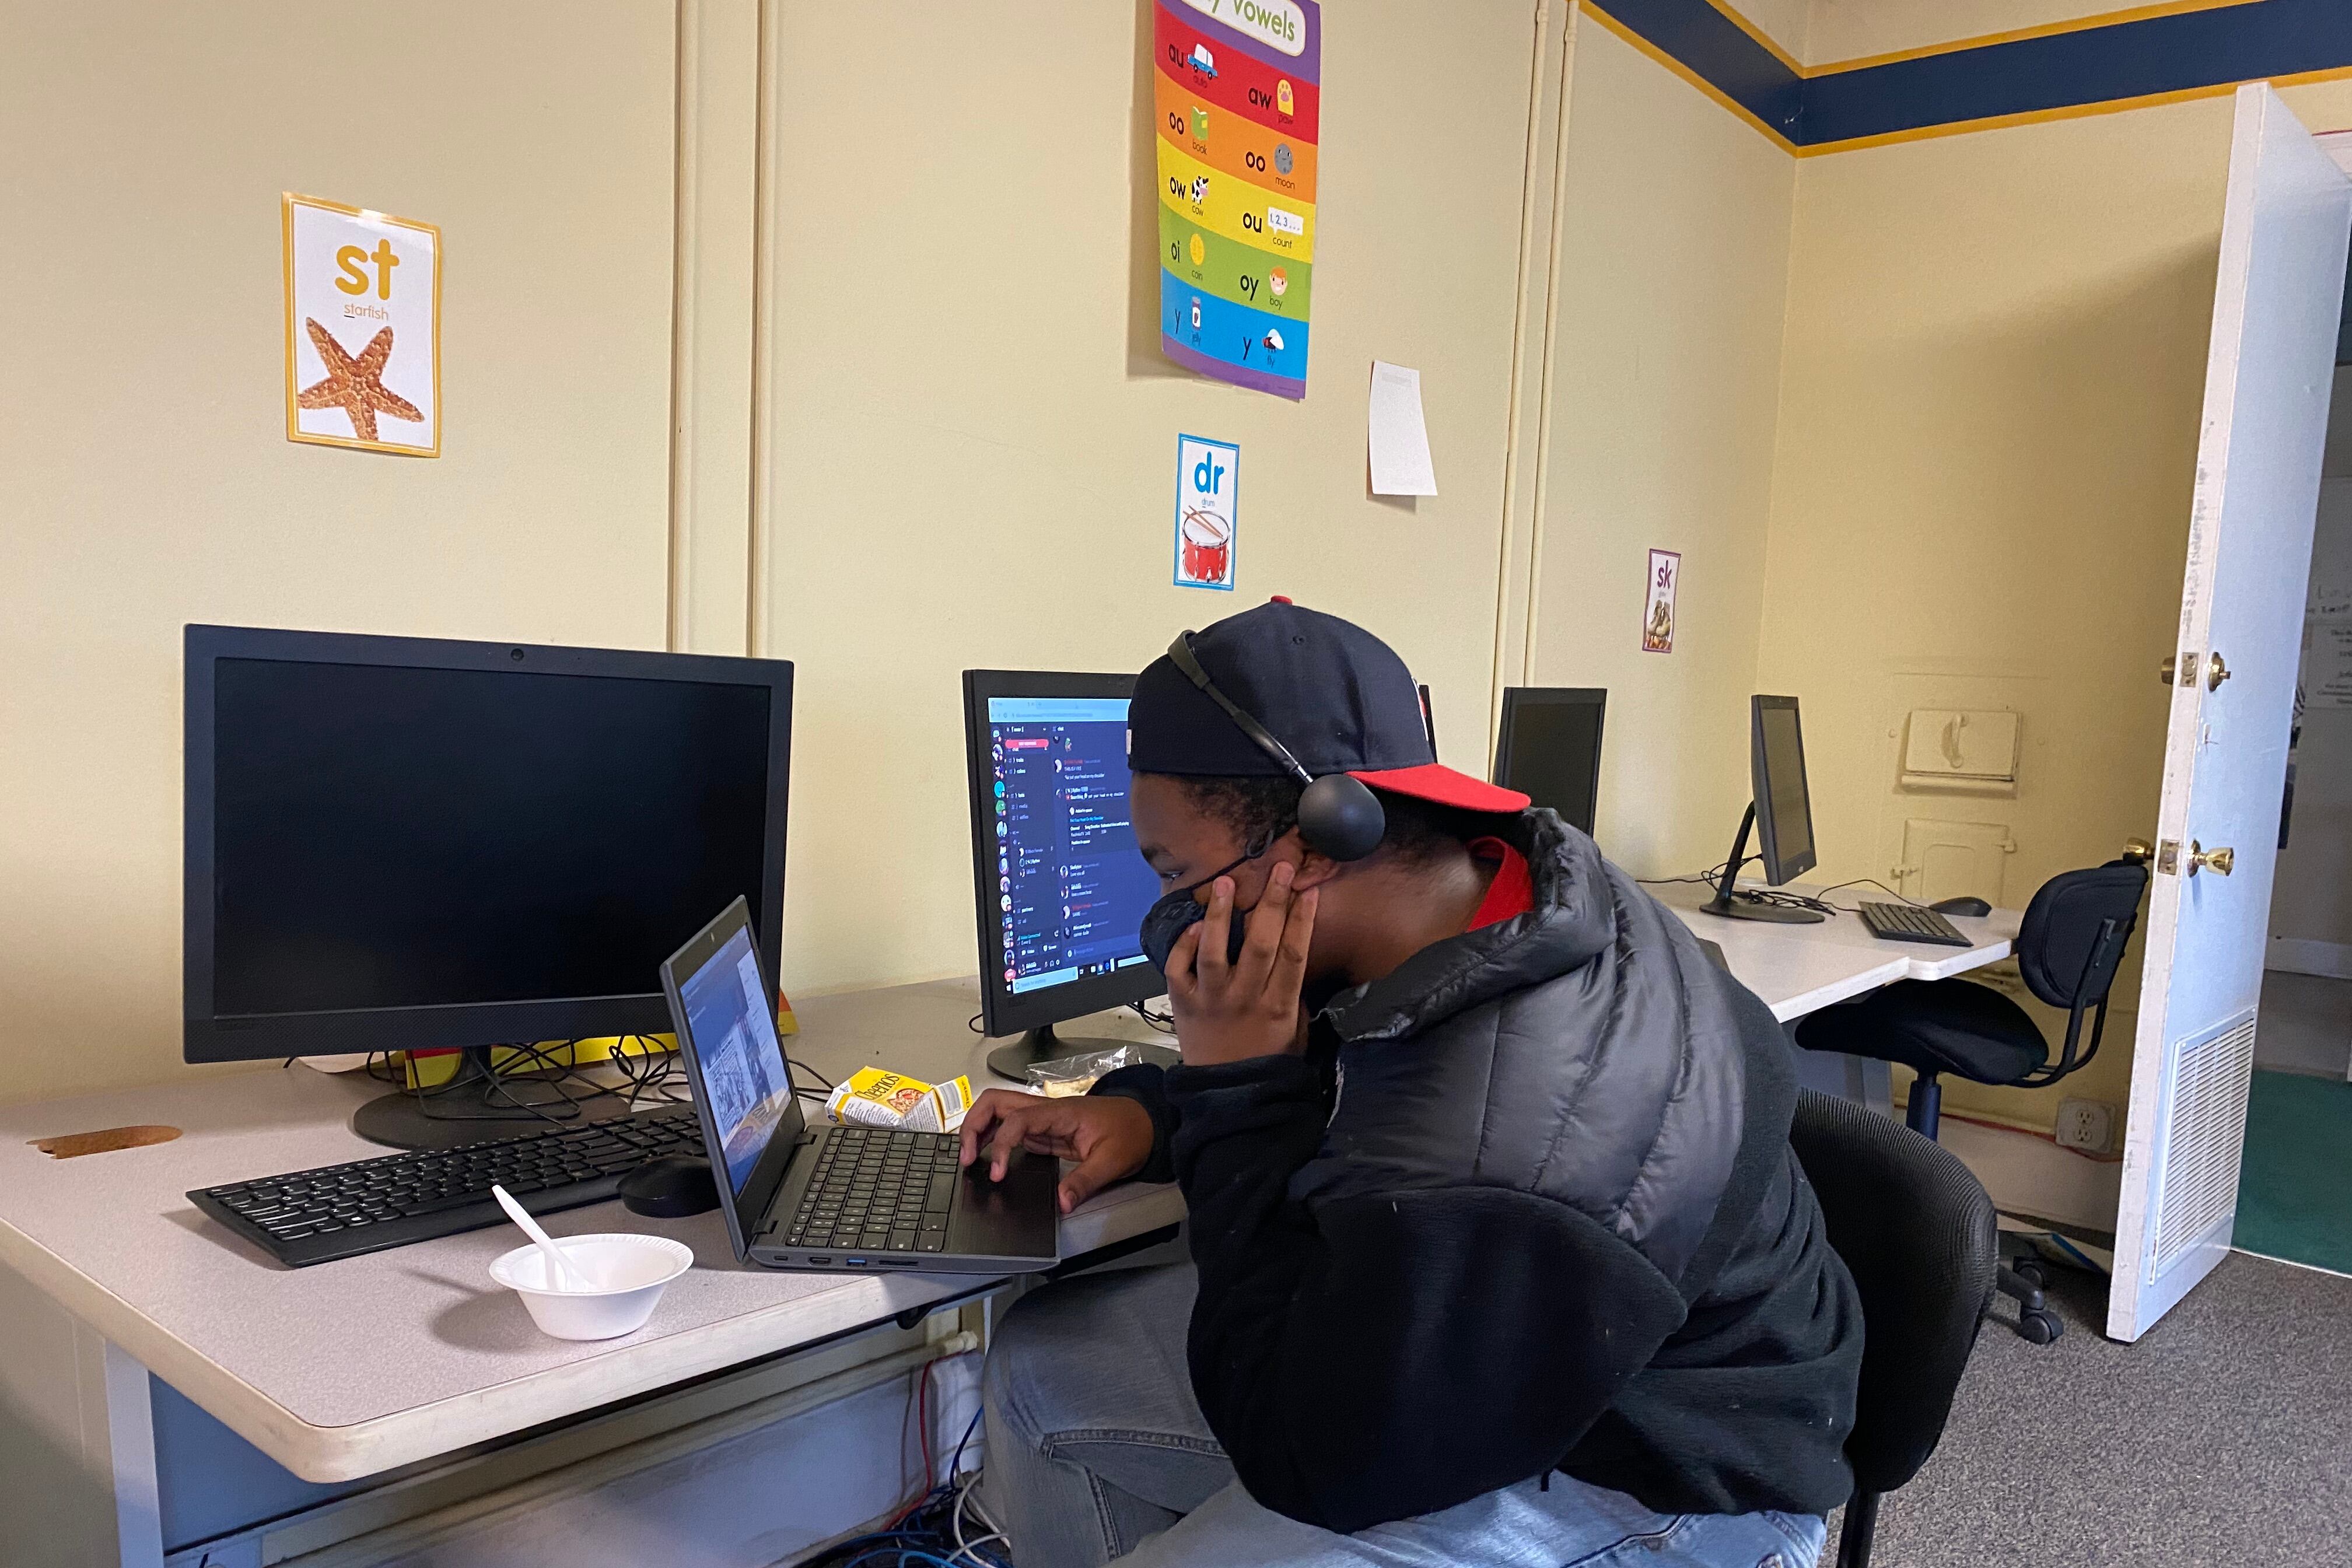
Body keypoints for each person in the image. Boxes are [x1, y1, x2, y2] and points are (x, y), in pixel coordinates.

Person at [961, 600, 1861, 1568]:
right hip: (1522, 1359)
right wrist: (1153, 1115)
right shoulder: (1493, 897)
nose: (1168, 909)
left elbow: (1305, 1458)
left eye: (1177, 870)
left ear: (1308, 848)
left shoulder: (1508, 1140)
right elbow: (1344, 1079)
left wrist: (1236, 1087)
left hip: (1662, 1488)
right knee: (1040, 1369)